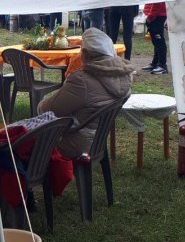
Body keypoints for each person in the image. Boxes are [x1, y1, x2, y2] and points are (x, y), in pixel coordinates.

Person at [36, 28, 134, 159]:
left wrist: (41, 102)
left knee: (21, 144)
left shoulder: (82, 81)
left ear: (86, 53)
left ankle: (36, 176)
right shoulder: (124, 75)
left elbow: (48, 110)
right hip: (98, 139)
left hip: (74, 142)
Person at [142, 2, 168, 75]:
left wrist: (150, 16)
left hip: (157, 15)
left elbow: (157, 3)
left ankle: (162, 65)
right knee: (156, 41)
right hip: (154, 14)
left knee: (159, 41)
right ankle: (155, 63)